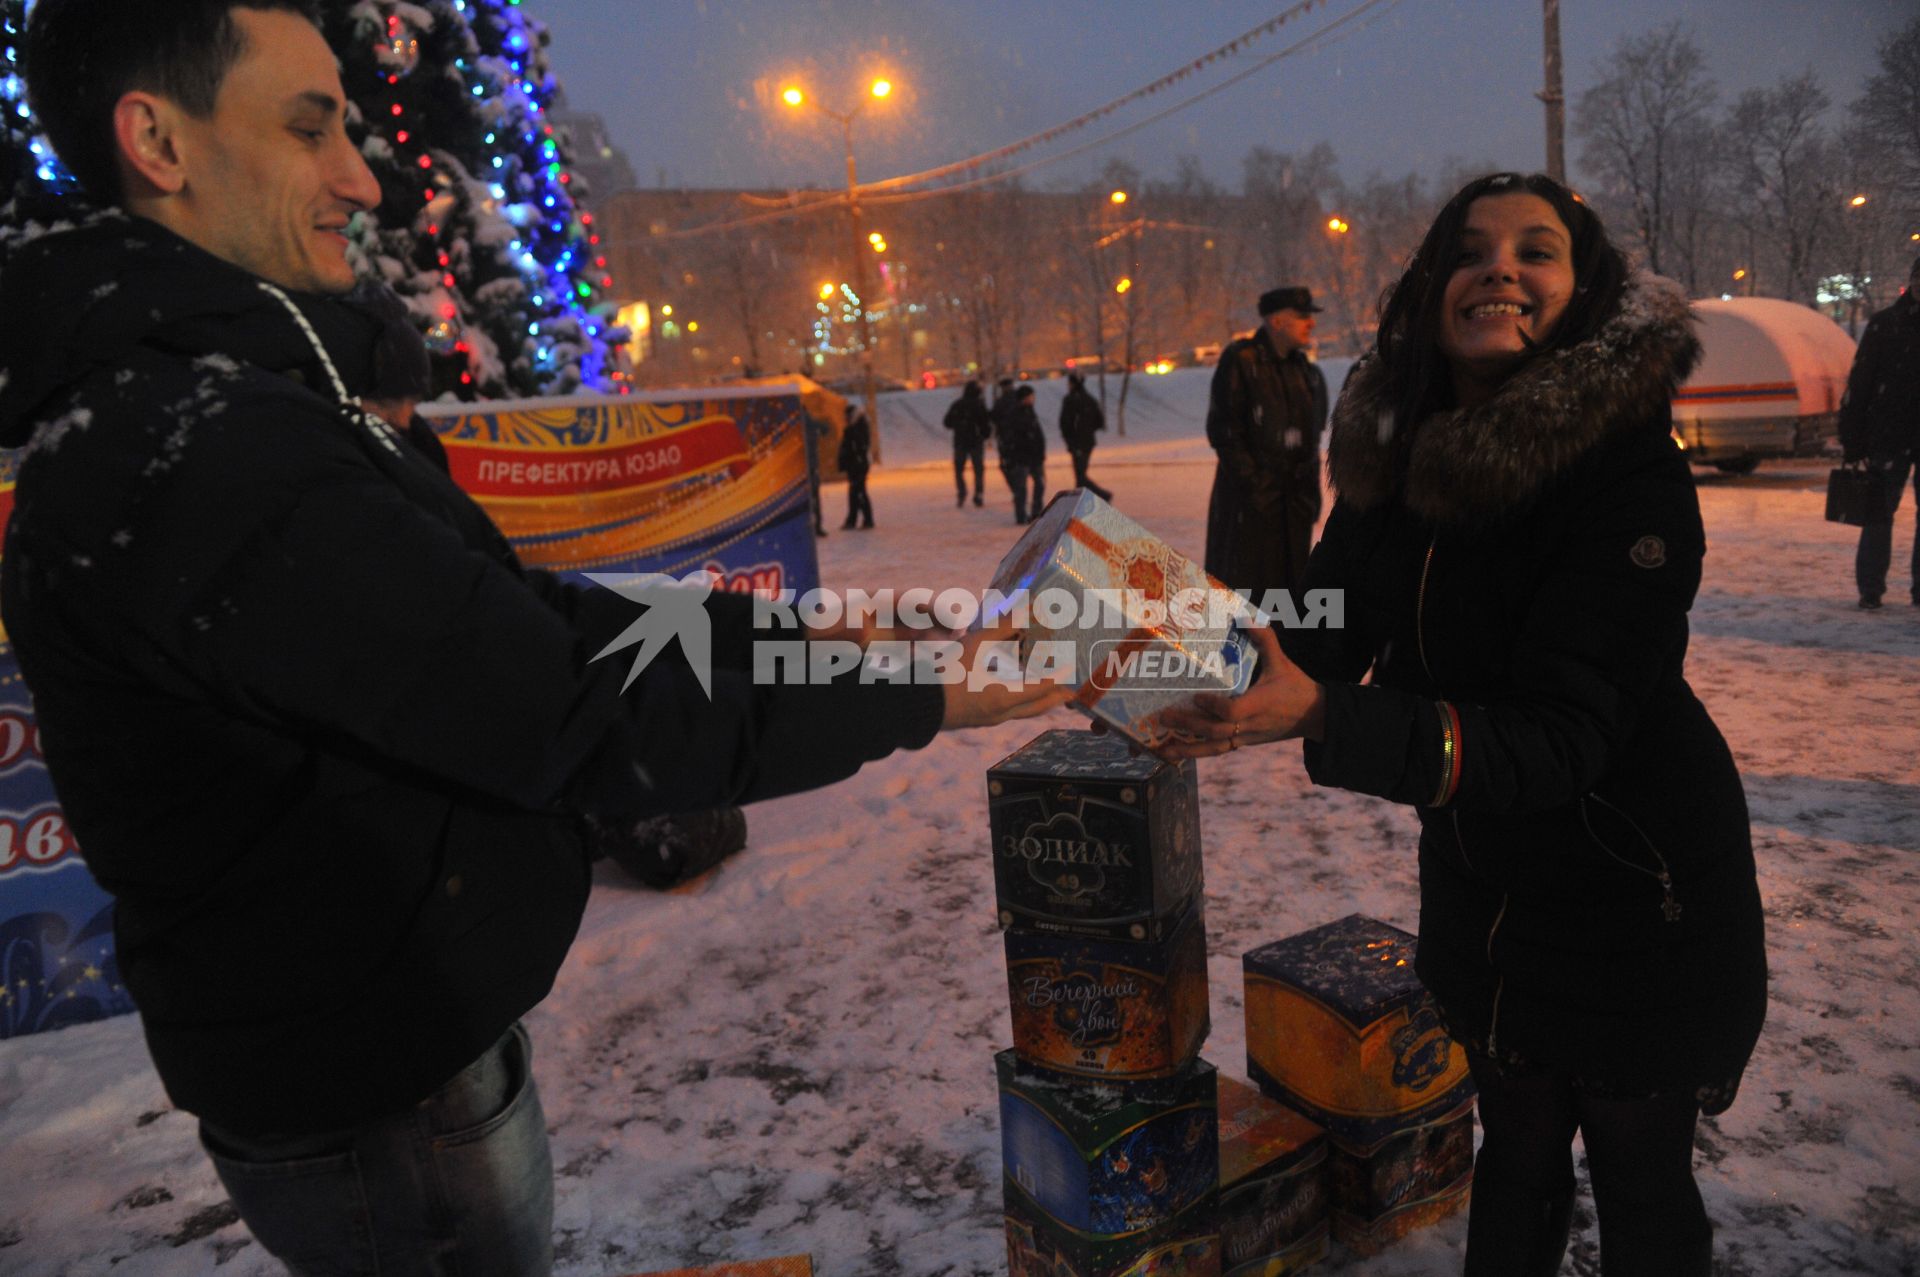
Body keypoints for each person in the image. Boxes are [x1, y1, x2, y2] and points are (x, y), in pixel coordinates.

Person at [0, 4, 1067, 1274]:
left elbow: (529, 622)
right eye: (309, 127)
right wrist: (916, 683)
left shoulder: (232, 396)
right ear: (157, 141)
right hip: (376, 1093)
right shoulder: (194, 447)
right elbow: (572, 705)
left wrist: (802, 629)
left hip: (392, 1040)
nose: (362, 172)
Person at [1159, 173, 1767, 1276]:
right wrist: (1170, 639)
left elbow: (1557, 739)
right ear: (1431, 289)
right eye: (1471, 249)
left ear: (1583, 294)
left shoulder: (1627, 472)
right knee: (1516, 1148)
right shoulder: (1396, 459)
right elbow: (1330, 622)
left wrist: (1326, 716)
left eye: (1538, 250)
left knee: (1639, 1182)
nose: (1501, 267)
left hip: (1639, 895)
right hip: (1489, 893)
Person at [1204, 285, 1328, 601]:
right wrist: (1258, 489)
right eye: (1301, 316)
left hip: (1293, 512)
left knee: (1287, 605)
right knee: (1245, 606)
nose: (1310, 323)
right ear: (1276, 321)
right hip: (1248, 514)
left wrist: (1307, 497)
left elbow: (1310, 442)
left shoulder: (1307, 372)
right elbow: (1225, 433)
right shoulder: (1241, 361)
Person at [1838, 254, 1920, 609]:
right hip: (1889, 435)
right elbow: (1861, 381)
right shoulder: (1886, 325)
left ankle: (1881, 588)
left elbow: (1861, 382)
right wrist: (1852, 436)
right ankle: (1870, 589)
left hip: (1889, 431)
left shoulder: (1887, 324)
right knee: (1878, 514)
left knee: (1879, 514)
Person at [997, 383, 1048, 524]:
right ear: (1023, 398)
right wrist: (1012, 455)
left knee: (1040, 484)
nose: (1032, 399)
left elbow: (1038, 435)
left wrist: (1040, 452)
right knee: (1021, 489)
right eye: (1030, 397)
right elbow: (1009, 438)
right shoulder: (1014, 415)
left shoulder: (1030, 412)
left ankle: (1036, 512)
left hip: (1034, 457)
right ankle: (1021, 516)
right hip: (1021, 458)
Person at [1058, 371, 1112, 502]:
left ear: (1072, 384)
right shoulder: (1090, 399)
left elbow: (1065, 423)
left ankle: (1102, 495)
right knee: (1080, 475)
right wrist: (1088, 430)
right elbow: (1099, 422)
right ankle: (1082, 501)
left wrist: (1072, 438)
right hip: (1088, 442)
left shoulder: (1070, 400)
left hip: (1077, 443)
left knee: (1080, 476)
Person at [943, 377, 992, 508]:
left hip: (960, 442)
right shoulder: (979, 404)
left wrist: (959, 425)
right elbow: (985, 423)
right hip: (976, 442)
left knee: (959, 469)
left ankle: (962, 492)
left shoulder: (957, 404)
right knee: (978, 469)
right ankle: (978, 494)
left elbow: (947, 422)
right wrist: (985, 434)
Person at [838, 400, 874, 529]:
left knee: (857, 492)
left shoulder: (855, 428)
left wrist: (848, 460)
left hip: (857, 465)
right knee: (857, 492)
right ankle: (858, 519)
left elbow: (857, 446)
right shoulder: (859, 426)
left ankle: (859, 519)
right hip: (857, 464)